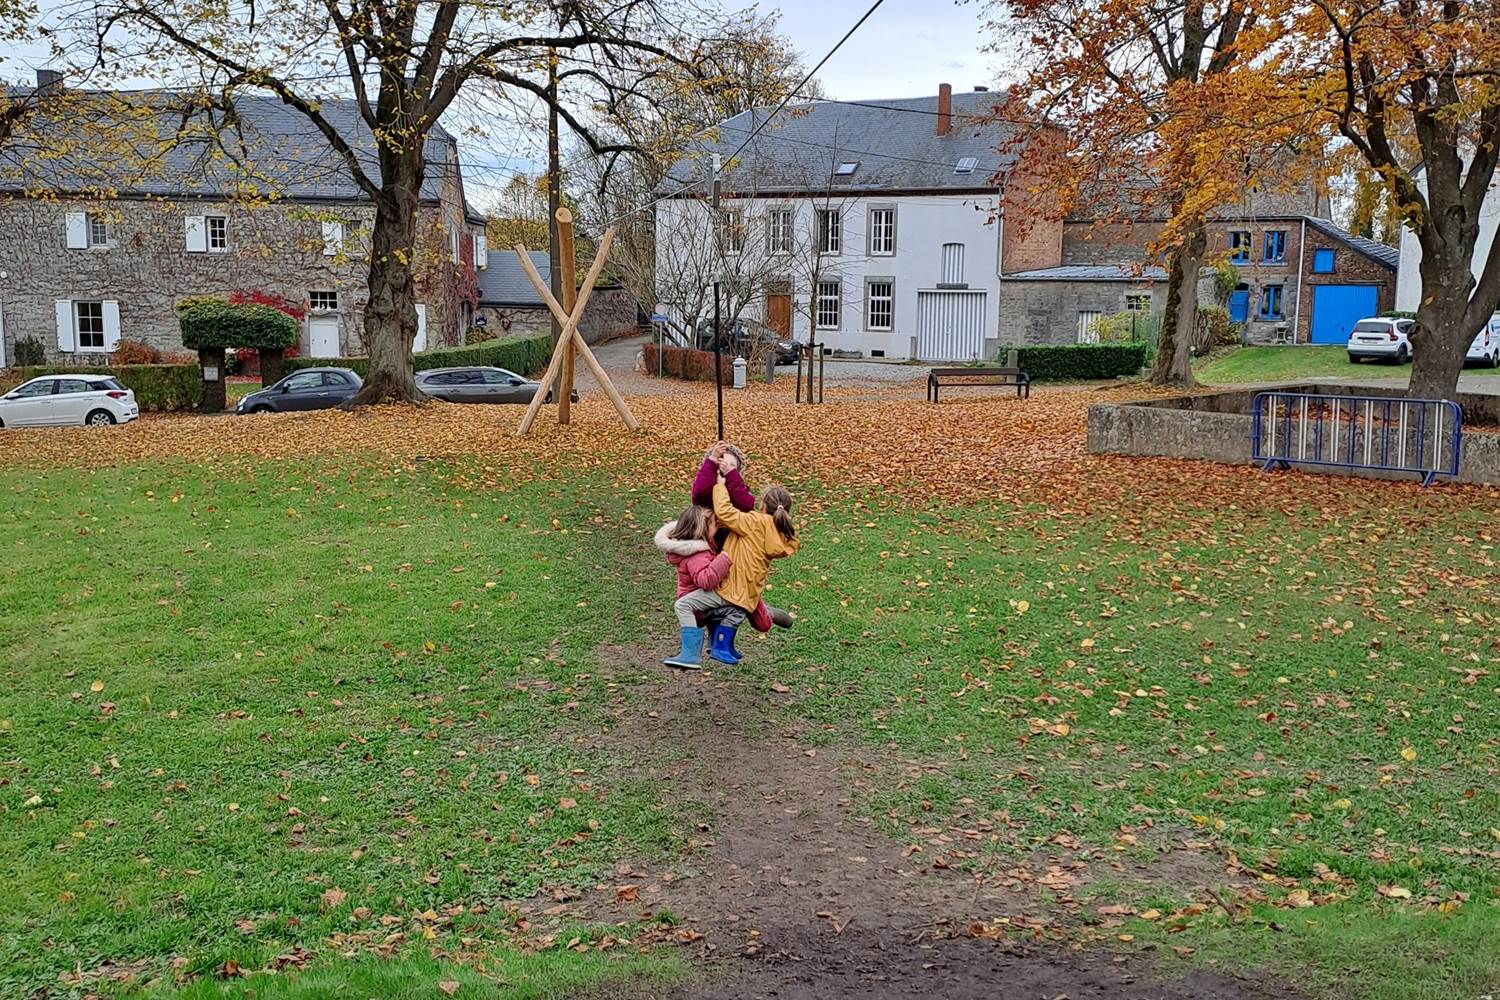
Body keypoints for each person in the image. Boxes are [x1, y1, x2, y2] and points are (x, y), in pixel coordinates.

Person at [687, 475, 799, 664]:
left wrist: (720, 486)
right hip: (751, 587)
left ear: (763, 505)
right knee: (744, 616)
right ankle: (725, 644)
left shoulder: (754, 521)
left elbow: (724, 511)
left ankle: (721, 646)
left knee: (733, 615)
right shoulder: (780, 531)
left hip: (734, 583)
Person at [689, 442, 793, 632]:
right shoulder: (704, 493)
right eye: (721, 462)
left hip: (735, 566)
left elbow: (746, 504)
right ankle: (717, 637)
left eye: (731, 466)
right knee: (702, 607)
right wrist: (712, 461)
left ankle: (768, 613)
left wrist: (729, 476)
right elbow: (699, 492)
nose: (724, 467)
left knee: (762, 624)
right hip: (708, 555)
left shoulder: (740, 497)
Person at [653, 506, 731, 670]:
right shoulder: (697, 554)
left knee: (683, 605)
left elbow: (705, 580)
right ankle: (692, 653)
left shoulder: (691, 548)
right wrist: (724, 558)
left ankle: (698, 651)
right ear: (701, 530)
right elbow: (706, 581)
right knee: (684, 605)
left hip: (710, 594)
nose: (716, 526)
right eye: (713, 525)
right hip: (712, 593)